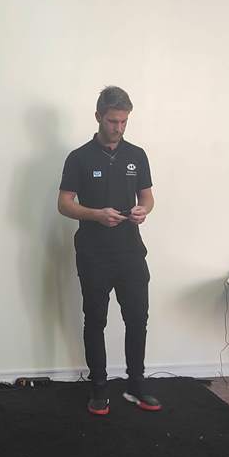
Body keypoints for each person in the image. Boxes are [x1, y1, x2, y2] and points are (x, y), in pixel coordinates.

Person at [58, 86, 161, 415]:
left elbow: (147, 197)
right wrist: (96, 215)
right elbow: (64, 204)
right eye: (113, 121)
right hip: (94, 254)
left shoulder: (137, 155)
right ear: (98, 117)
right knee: (95, 320)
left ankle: (136, 385)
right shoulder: (79, 158)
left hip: (131, 252)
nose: (118, 127)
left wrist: (144, 210)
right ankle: (99, 388)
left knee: (138, 319)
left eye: (124, 121)